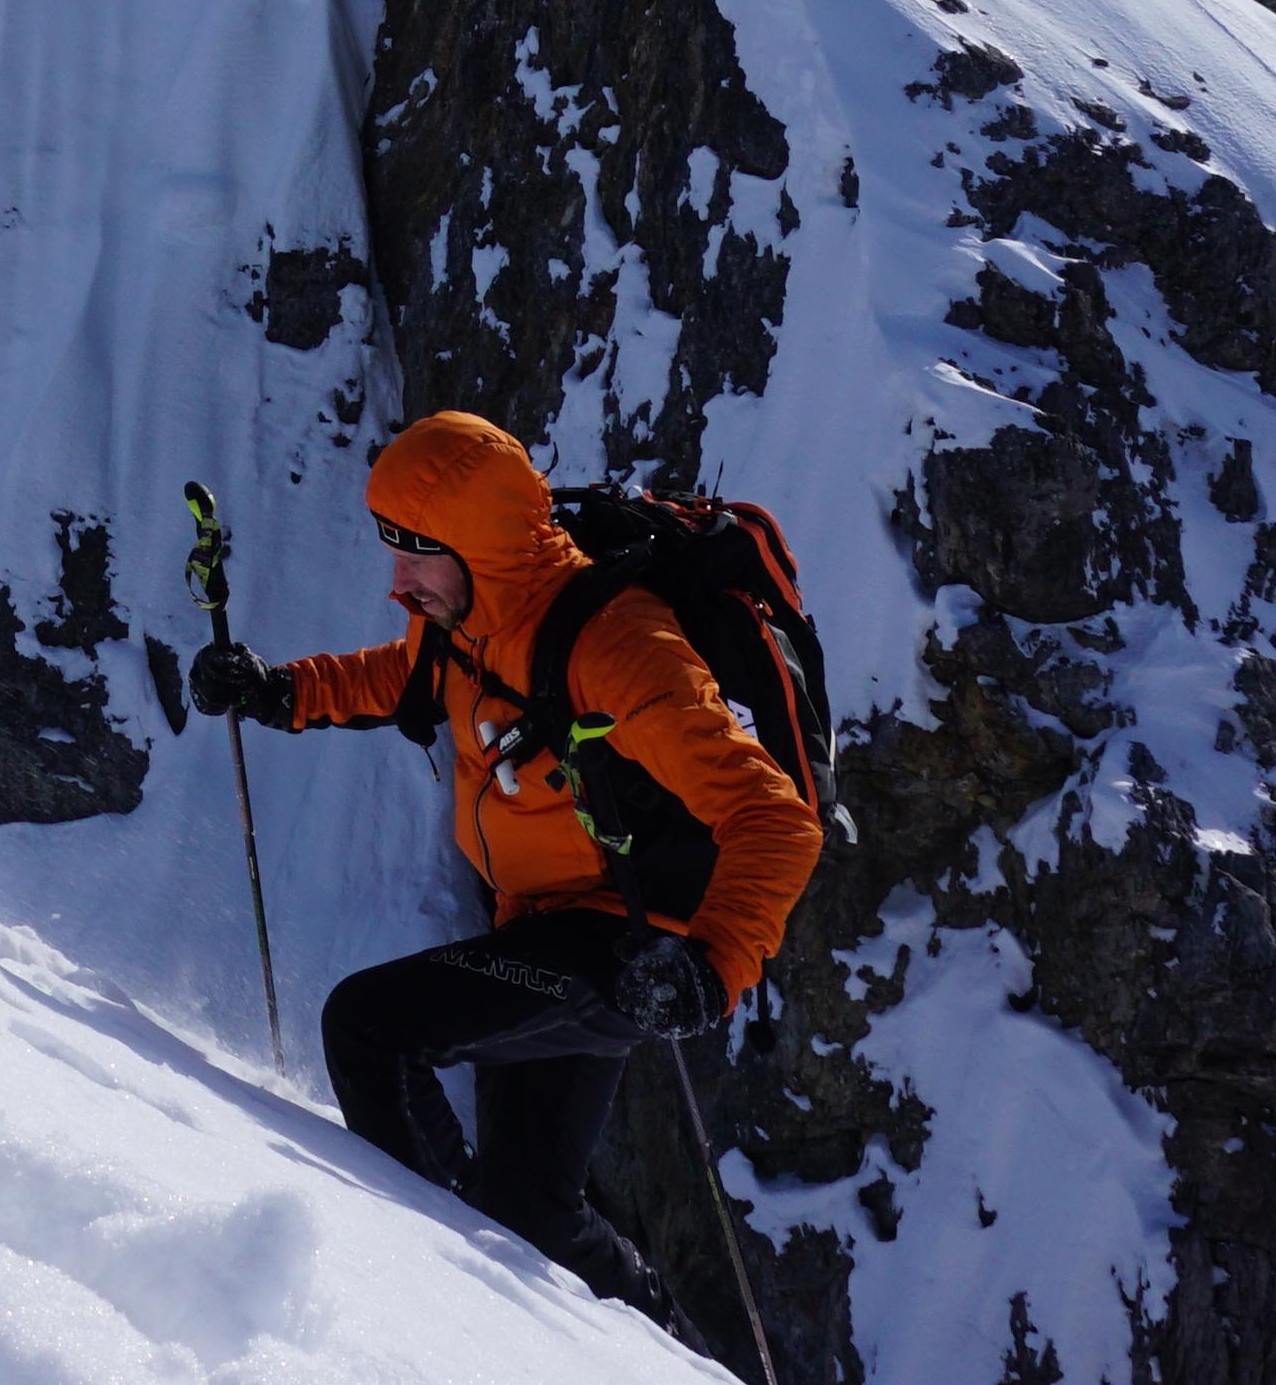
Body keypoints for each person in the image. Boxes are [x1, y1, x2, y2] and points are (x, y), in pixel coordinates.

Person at [188, 410, 817, 1313]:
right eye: (391, 547)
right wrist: (280, 690)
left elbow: (775, 817)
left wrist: (711, 969)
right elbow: (398, 677)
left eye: (416, 552)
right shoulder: (467, 615)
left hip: (629, 949)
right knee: (529, 1210)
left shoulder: (617, 647)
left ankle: (424, 1291)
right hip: (538, 923)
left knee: (370, 1029)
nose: (398, 580)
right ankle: (669, 1352)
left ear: (478, 544)